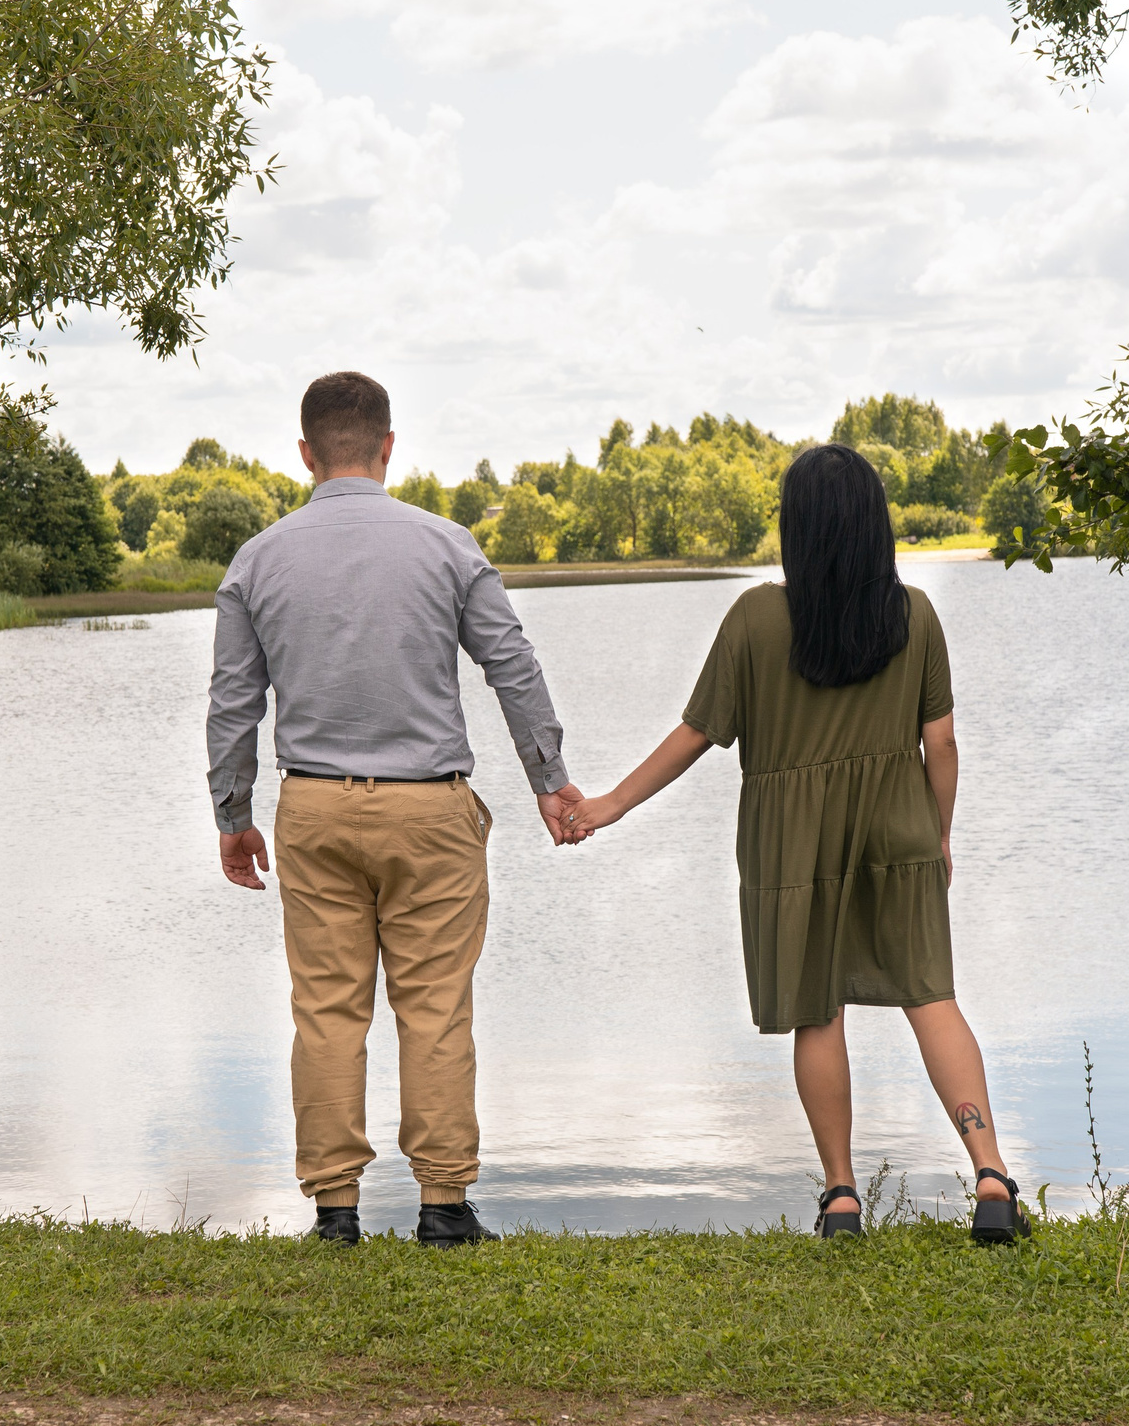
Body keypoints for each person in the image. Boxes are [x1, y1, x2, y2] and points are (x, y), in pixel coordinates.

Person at [567, 443, 1028, 1244]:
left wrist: (608, 804)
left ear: (797, 530)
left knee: (820, 1011)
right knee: (931, 996)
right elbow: (942, 743)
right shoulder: (914, 612)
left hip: (790, 841)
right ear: (875, 525)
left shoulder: (754, 617)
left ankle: (843, 1196)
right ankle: (990, 1177)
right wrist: (939, 828)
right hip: (900, 824)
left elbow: (697, 733)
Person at [207, 371, 587, 1249]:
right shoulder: (447, 546)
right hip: (429, 813)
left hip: (313, 810)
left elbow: (234, 703)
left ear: (306, 453)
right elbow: (512, 665)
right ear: (387, 446)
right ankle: (443, 1207)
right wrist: (549, 778)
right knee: (435, 1008)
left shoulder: (259, 559)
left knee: (328, 1011)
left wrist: (233, 814)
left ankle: (336, 1212)